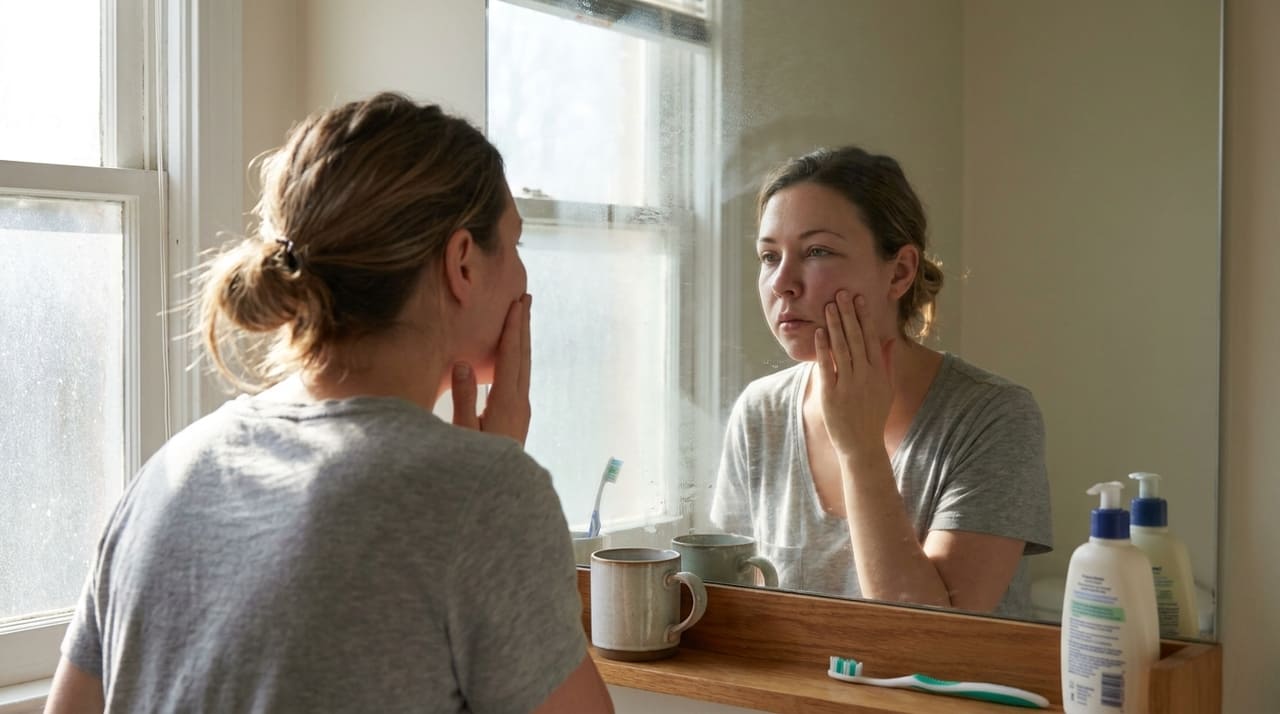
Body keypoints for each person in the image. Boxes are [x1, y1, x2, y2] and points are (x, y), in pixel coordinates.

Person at [44, 92, 613, 714]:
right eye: (516, 245)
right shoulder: (486, 496)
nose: (525, 280)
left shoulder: (167, 474)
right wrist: (490, 474)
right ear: (462, 263)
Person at [710, 146, 1051, 618]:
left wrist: (859, 448)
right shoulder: (760, 411)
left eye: (817, 251)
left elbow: (933, 641)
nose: (782, 283)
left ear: (900, 272)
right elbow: (735, 607)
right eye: (769, 256)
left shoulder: (993, 416)